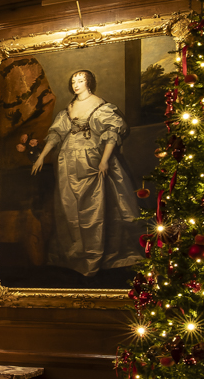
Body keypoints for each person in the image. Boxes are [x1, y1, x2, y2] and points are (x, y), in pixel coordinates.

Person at [29, 68, 142, 278]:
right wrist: (42, 156)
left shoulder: (100, 106)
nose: (76, 84)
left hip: (92, 159)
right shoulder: (69, 108)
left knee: (95, 207)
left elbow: (111, 133)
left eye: (80, 80)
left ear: (88, 82)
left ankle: (97, 255)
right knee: (69, 206)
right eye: (73, 81)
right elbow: (56, 134)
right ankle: (79, 253)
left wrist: (105, 161)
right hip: (67, 162)